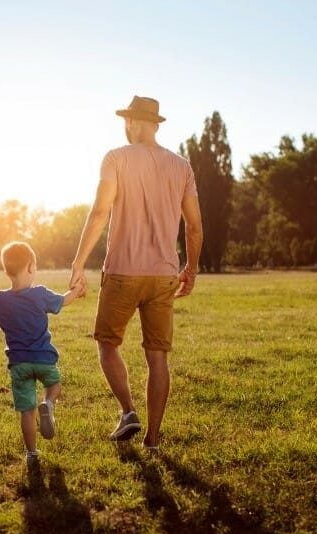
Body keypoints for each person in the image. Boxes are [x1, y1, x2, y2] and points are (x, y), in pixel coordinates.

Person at [69, 95, 203, 452]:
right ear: (155, 124)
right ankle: (153, 440)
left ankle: (128, 411)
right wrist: (191, 267)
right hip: (163, 276)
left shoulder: (116, 158)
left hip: (123, 272)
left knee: (107, 344)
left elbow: (99, 213)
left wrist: (78, 262)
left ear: (132, 122)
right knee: (157, 357)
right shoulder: (181, 166)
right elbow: (194, 226)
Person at [0, 242, 83, 464]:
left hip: (19, 365)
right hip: (44, 359)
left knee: (27, 410)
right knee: (54, 385)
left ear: (6, 271)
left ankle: (32, 453)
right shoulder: (40, 294)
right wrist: (77, 291)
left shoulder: (0, 300)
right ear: (31, 267)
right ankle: (50, 404)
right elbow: (63, 301)